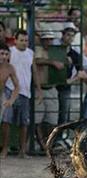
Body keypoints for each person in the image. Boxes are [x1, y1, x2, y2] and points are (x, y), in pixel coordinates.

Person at [3, 30, 42, 158]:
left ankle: (23, 151)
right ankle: (5, 149)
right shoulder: (10, 51)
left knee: (24, 123)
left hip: (25, 92)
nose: (24, 43)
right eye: (22, 40)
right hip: (10, 89)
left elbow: (35, 72)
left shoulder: (30, 53)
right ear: (15, 40)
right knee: (6, 121)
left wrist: (39, 89)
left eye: (26, 40)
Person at [34, 32, 64, 150]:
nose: (48, 42)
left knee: (52, 119)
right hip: (39, 88)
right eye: (46, 39)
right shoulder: (37, 50)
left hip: (52, 88)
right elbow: (36, 61)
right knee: (38, 119)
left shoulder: (56, 52)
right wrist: (52, 62)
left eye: (50, 39)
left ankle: (48, 144)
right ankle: (42, 145)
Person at [56, 25, 81, 125]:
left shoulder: (74, 54)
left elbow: (81, 72)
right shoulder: (55, 50)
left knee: (64, 113)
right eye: (68, 35)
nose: (70, 38)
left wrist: (71, 80)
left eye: (72, 36)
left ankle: (60, 137)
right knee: (51, 114)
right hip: (52, 85)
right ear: (63, 35)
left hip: (65, 87)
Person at [0, 42, 20, 158]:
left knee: (6, 121)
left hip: (2, 95)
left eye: (6, 54)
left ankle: (5, 148)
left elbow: (17, 86)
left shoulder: (9, 68)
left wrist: (11, 100)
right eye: (2, 53)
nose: (4, 57)